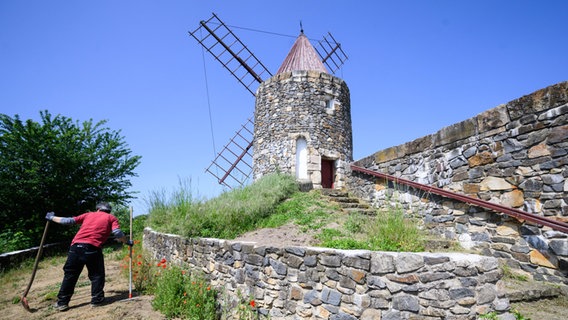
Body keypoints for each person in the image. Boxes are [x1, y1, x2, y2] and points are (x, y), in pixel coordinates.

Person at [45, 202, 133, 311]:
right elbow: (117, 233)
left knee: (70, 275)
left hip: (75, 248)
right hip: (92, 248)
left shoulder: (88, 215)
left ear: (98, 209)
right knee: (97, 275)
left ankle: (62, 303)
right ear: (109, 210)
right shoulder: (111, 218)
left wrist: (52, 217)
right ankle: (97, 300)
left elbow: (68, 221)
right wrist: (127, 241)